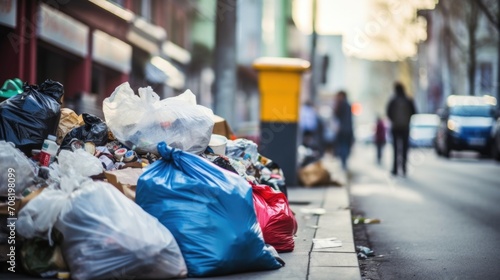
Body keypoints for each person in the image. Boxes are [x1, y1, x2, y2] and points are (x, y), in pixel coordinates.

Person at [386, 82, 417, 176]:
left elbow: (388, 112)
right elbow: (414, 111)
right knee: (404, 149)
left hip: (395, 128)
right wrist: (407, 120)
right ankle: (404, 169)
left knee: (395, 149)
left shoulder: (393, 100)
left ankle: (395, 169)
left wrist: (394, 120)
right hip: (405, 128)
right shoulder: (408, 99)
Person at [333, 90, 354, 170]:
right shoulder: (348, 105)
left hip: (342, 130)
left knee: (343, 146)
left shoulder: (341, 104)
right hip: (348, 130)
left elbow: (336, 115)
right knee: (345, 146)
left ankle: (343, 164)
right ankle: (344, 163)